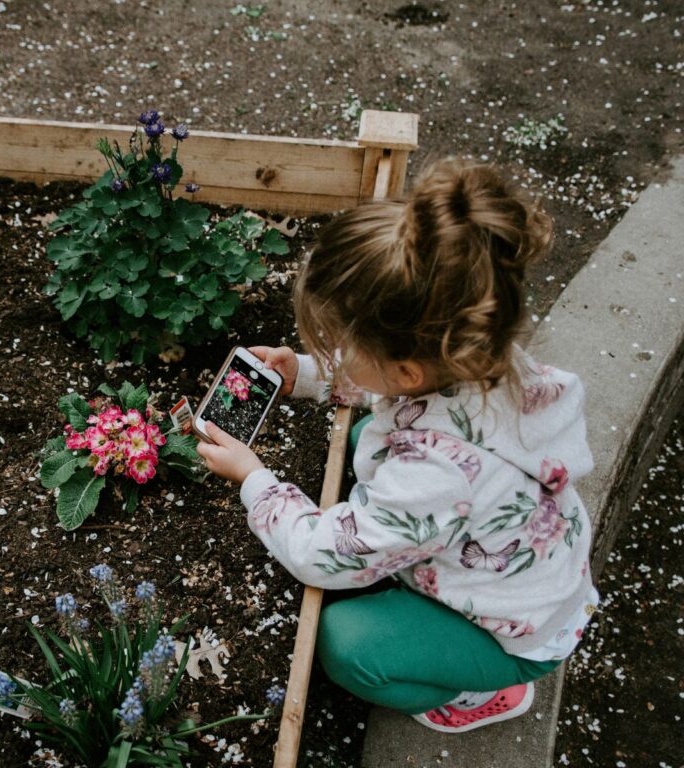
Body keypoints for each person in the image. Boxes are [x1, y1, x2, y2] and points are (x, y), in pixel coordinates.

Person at [196, 158, 598, 733]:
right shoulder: (483, 355)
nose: (332, 348)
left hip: (512, 632)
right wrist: (307, 374)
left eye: (339, 342)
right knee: (366, 436)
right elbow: (396, 389)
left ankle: (477, 694)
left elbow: (321, 555)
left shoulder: (433, 475)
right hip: (524, 567)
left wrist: (255, 479)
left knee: (345, 644)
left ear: (407, 369)